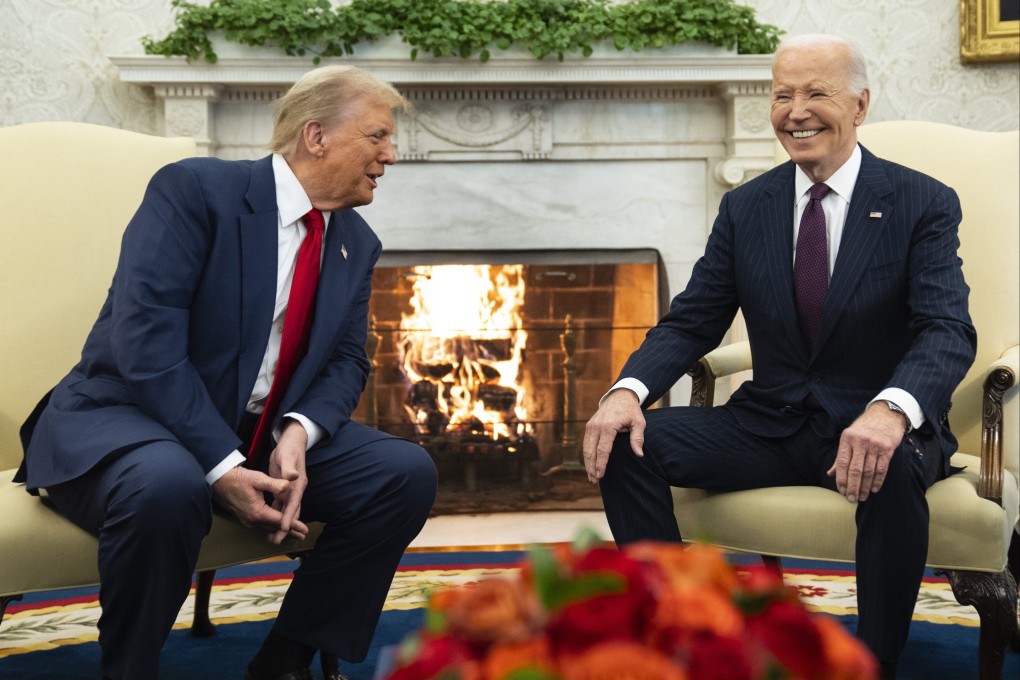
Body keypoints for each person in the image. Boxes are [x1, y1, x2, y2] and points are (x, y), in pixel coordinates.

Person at [15, 65, 438, 680]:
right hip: (124, 417)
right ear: (316, 135)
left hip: (253, 428)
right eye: (377, 136)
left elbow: (348, 360)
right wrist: (223, 466)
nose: (391, 155)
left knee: (402, 474)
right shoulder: (194, 191)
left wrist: (297, 433)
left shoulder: (354, 241)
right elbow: (146, 344)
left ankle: (284, 661)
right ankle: (129, 670)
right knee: (167, 484)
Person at [582, 34, 975, 678]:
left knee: (893, 470)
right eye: (783, 94)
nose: (797, 111)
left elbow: (945, 328)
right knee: (627, 444)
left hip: (872, 424)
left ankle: (875, 661)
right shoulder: (747, 206)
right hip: (769, 421)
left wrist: (891, 411)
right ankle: (677, 640)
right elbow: (693, 321)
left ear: (860, 103)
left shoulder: (920, 201)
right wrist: (627, 392)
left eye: (817, 93)